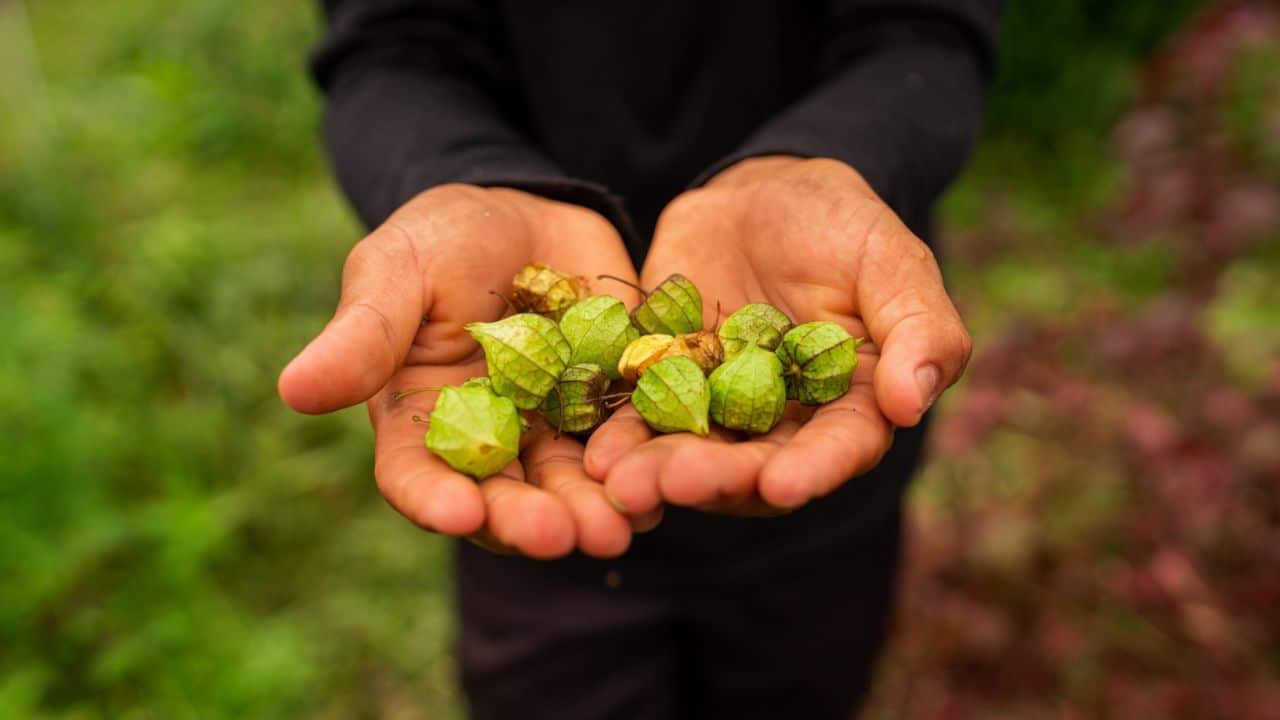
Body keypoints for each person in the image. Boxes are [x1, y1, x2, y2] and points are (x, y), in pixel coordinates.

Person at [279, 2, 999, 717]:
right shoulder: (570, 383)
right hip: (545, 507)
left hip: (821, 509)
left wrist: (833, 158)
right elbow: (392, 45)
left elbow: (923, 33)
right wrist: (457, 174)